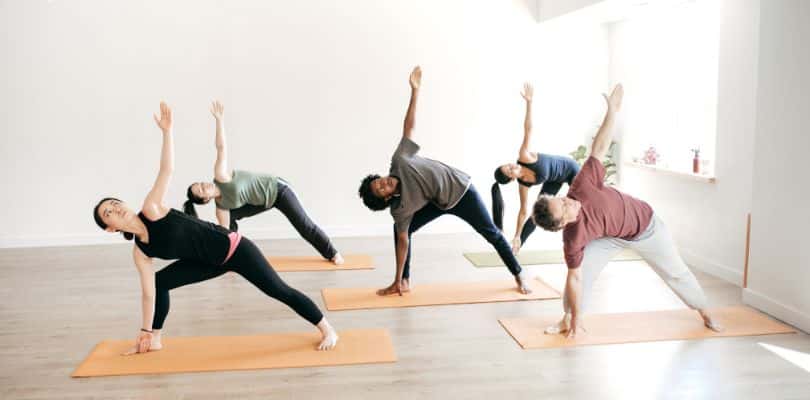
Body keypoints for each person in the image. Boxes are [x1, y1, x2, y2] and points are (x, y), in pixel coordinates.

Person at [93, 102, 338, 354]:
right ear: (110, 229)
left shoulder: (151, 208)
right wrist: (144, 331)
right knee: (159, 282)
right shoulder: (141, 252)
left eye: (114, 203)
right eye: (108, 213)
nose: (115, 208)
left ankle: (327, 329)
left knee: (278, 290)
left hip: (236, 249)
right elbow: (147, 294)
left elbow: (167, 169)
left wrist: (167, 132)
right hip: (210, 262)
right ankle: (155, 339)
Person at [530, 85, 722, 338]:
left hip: (647, 227)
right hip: (611, 237)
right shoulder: (573, 238)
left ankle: (706, 311)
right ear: (562, 224)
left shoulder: (582, 186)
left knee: (675, 273)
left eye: (562, 199)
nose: (568, 201)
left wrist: (612, 111)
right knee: (580, 275)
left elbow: (598, 147)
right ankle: (569, 319)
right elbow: (574, 278)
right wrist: (577, 315)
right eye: (564, 207)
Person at [357, 66, 533, 296]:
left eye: (379, 181)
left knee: (491, 232)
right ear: (386, 198)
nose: (383, 183)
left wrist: (415, 91)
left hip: (461, 191)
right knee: (401, 230)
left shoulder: (400, 161)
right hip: (437, 202)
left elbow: (409, 127)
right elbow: (402, 242)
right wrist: (396, 279)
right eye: (380, 189)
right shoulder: (399, 210)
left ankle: (519, 274)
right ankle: (404, 282)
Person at [183, 100, 344, 265]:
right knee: (227, 226)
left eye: (201, 184)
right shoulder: (221, 209)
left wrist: (219, 120)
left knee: (304, 226)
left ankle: (332, 252)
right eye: (202, 190)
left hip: (278, 191)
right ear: (205, 200)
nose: (205, 186)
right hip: (263, 202)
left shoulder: (221, 176)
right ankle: (235, 257)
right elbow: (224, 235)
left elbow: (221, 147)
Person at [491, 82, 580, 254]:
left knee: (581, 202)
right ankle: (517, 247)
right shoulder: (523, 185)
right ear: (512, 178)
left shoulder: (524, 156)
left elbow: (528, 130)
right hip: (554, 180)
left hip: (570, 169)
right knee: (538, 211)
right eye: (509, 170)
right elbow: (523, 211)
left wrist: (529, 103)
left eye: (508, 165)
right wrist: (517, 235)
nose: (512, 166)